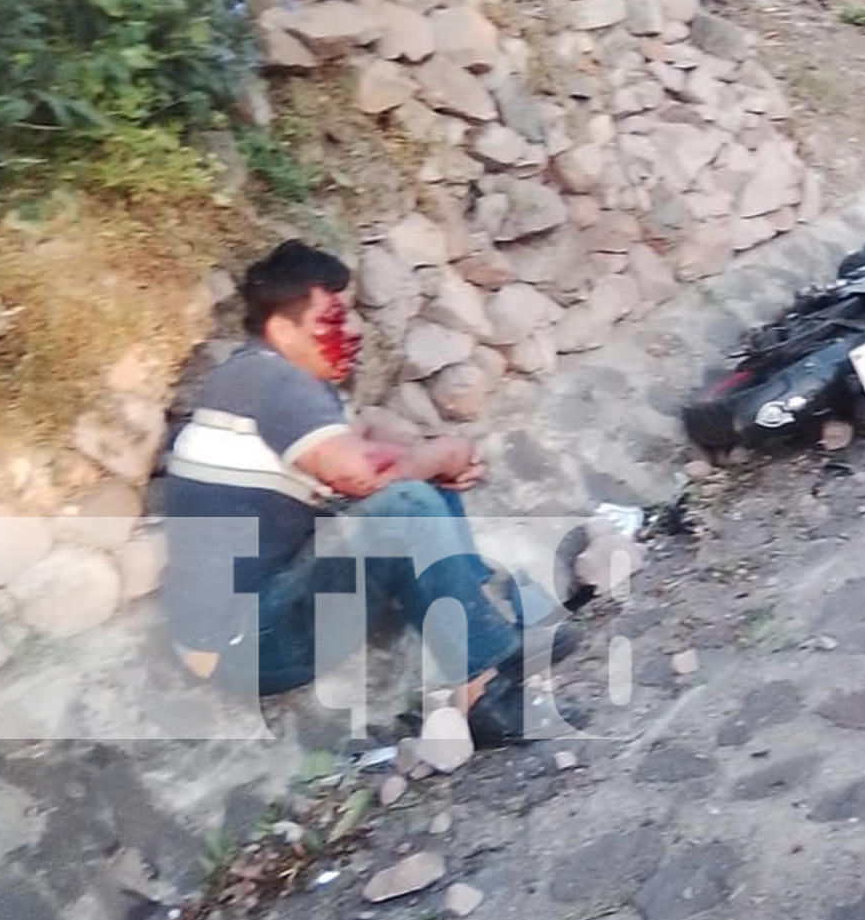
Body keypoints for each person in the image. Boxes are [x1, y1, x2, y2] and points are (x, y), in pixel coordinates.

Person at [161, 239, 581, 747]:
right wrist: (440, 454)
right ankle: (482, 695)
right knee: (406, 503)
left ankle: (500, 632)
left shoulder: (256, 380)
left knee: (415, 489)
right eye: (331, 318)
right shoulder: (269, 380)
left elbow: (361, 439)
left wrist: (425, 455)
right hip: (243, 644)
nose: (348, 330)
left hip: (264, 616)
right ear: (281, 329)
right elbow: (364, 479)